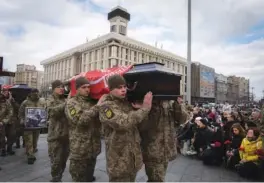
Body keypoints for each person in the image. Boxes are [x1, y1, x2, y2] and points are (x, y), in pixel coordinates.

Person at [98, 74, 152, 182]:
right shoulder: (106, 106)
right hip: (118, 161)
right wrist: (145, 109)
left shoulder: (127, 103)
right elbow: (123, 123)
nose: (123, 90)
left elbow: (140, 126)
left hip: (132, 158)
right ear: (111, 89)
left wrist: (138, 110)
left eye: (124, 86)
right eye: (119, 87)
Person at [65, 77, 101, 182]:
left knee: (89, 175)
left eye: (89, 87)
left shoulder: (93, 101)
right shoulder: (71, 103)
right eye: (84, 87)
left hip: (93, 146)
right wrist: (97, 107)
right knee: (78, 177)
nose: (87, 90)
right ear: (77, 89)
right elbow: (80, 120)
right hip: (79, 148)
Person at [138, 99, 177, 182]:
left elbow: (182, 119)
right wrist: (151, 108)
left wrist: (178, 105)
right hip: (152, 151)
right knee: (156, 180)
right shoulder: (146, 102)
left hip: (166, 151)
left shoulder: (170, 102)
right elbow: (142, 126)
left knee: (158, 179)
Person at [46, 80, 69, 182]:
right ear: (54, 88)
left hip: (66, 135)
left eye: (63, 87)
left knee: (63, 161)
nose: (62, 89)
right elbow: (51, 112)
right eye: (59, 87)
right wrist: (67, 103)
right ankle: (55, 178)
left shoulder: (64, 100)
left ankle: (59, 177)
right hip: (55, 136)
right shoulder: (49, 99)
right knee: (56, 160)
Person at [18, 88, 46, 164]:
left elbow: (44, 111)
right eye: (34, 93)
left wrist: (44, 120)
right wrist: (22, 120)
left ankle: (32, 150)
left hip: (37, 126)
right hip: (28, 125)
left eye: (37, 93)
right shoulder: (25, 102)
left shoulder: (42, 102)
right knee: (29, 140)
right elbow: (20, 113)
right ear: (30, 94)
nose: (36, 94)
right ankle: (30, 156)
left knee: (34, 141)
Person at [0, 93, 13, 157]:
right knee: (2, 137)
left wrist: (4, 121)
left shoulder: (7, 101)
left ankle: (9, 148)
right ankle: (3, 149)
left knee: (10, 135)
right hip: (1, 124)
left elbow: (10, 112)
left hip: (8, 122)